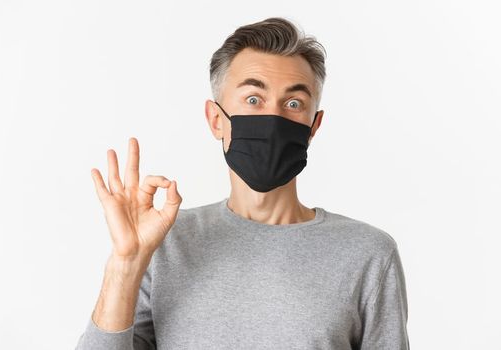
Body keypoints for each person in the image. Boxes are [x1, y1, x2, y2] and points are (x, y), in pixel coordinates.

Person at [76, 17, 409, 349]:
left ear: (314, 126)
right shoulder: (165, 243)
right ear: (215, 120)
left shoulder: (367, 254)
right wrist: (126, 263)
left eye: (294, 104)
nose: (274, 118)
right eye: (253, 99)